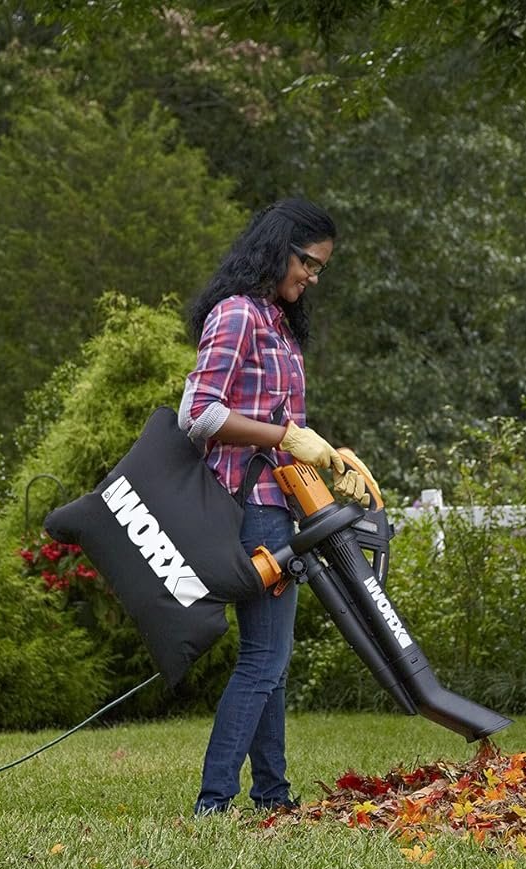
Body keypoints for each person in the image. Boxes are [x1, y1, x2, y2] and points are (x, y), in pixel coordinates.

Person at [178, 198, 370, 815]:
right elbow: (198, 415)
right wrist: (286, 437)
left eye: (319, 268)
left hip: (278, 503)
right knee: (264, 658)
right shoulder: (237, 314)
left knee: (272, 662)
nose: (312, 276)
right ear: (277, 248)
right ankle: (214, 802)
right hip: (248, 504)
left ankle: (272, 796)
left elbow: (278, 420)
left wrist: (325, 455)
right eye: (308, 262)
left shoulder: (278, 321)